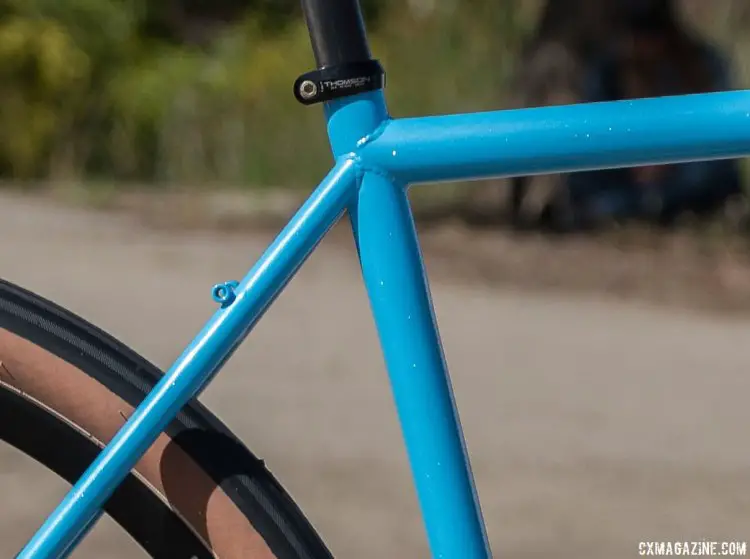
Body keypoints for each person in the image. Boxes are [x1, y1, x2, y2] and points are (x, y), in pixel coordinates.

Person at [555, 0, 743, 229]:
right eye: (634, 31)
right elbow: (587, 146)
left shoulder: (701, 67)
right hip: (622, 193)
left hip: (689, 191)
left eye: (650, 30)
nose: (642, 44)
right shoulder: (607, 74)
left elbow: (718, 158)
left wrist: (668, 172)